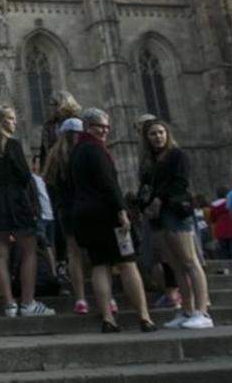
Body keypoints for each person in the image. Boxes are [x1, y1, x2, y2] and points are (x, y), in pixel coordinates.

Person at [67, 108, 156, 333]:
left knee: (100, 265)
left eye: (107, 127)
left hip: (84, 215)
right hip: (107, 215)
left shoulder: (76, 151)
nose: (105, 131)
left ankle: (108, 318)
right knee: (127, 263)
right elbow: (109, 184)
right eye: (100, 126)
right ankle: (144, 317)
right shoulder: (96, 150)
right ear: (88, 127)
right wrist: (121, 211)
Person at [0, 105, 55, 318]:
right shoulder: (12, 145)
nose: (15, 122)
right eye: (11, 119)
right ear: (2, 122)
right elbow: (24, 175)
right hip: (16, 203)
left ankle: (9, 304)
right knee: (29, 251)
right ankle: (28, 303)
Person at [139, 119, 213, 329]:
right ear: (147, 138)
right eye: (153, 134)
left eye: (161, 132)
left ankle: (202, 312)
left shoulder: (177, 155)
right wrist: (145, 203)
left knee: (190, 262)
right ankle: (187, 310)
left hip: (175, 212)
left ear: (167, 134)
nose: (158, 136)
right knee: (175, 264)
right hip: (158, 215)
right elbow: (147, 186)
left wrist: (158, 199)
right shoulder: (151, 161)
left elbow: (180, 182)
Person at [43, 117, 91, 314]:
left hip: (66, 210)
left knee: (73, 254)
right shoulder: (87, 152)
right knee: (94, 254)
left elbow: (49, 184)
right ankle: (104, 296)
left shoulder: (55, 157)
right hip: (88, 207)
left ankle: (80, 298)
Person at [209, 189, 232, 260]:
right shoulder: (228, 202)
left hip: (220, 227)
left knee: (223, 249)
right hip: (231, 226)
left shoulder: (213, 205)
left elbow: (212, 219)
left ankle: (226, 264)